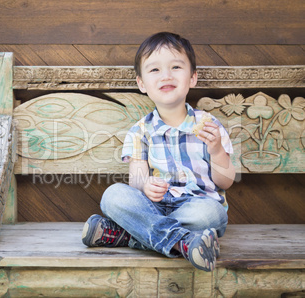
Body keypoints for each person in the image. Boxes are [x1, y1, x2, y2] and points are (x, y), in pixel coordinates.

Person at [81, 32, 236, 272]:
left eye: (176, 67)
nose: (166, 75)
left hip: (195, 207)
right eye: (154, 70)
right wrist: (144, 186)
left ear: (192, 78)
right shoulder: (140, 131)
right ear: (141, 83)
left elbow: (225, 182)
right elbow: (136, 179)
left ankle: (128, 237)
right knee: (113, 196)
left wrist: (216, 150)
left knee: (211, 214)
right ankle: (184, 243)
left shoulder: (208, 126)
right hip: (153, 207)